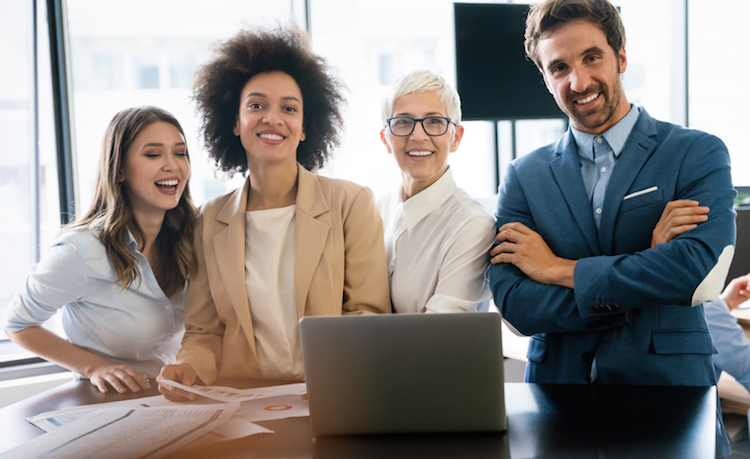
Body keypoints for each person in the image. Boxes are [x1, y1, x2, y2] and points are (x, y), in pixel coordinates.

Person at [486, 0, 735, 454]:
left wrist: (558, 269)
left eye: (591, 57)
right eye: (559, 67)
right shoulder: (524, 175)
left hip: (670, 395)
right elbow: (516, 302)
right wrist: (645, 269)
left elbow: (693, 268)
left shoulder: (696, 153)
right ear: (545, 77)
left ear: (621, 56)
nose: (578, 82)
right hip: (555, 397)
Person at [158, 25, 391, 400]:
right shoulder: (207, 221)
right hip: (242, 401)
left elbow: (367, 318)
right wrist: (187, 368)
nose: (273, 118)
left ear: (304, 128)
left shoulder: (351, 204)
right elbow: (204, 332)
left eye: (289, 108)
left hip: (329, 395)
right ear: (234, 122)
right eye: (256, 105)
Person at [3, 106, 195, 394]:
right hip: (109, 402)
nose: (173, 166)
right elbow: (17, 324)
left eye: (180, 153)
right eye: (153, 154)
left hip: (178, 398)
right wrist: (94, 367)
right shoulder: (79, 251)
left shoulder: (194, 236)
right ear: (119, 170)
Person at [378, 70, 495, 313]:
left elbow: (441, 333)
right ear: (385, 138)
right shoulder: (375, 210)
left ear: (456, 137)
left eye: (434, 122)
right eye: (403, 122)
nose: (418, 135)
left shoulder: (472, 225)